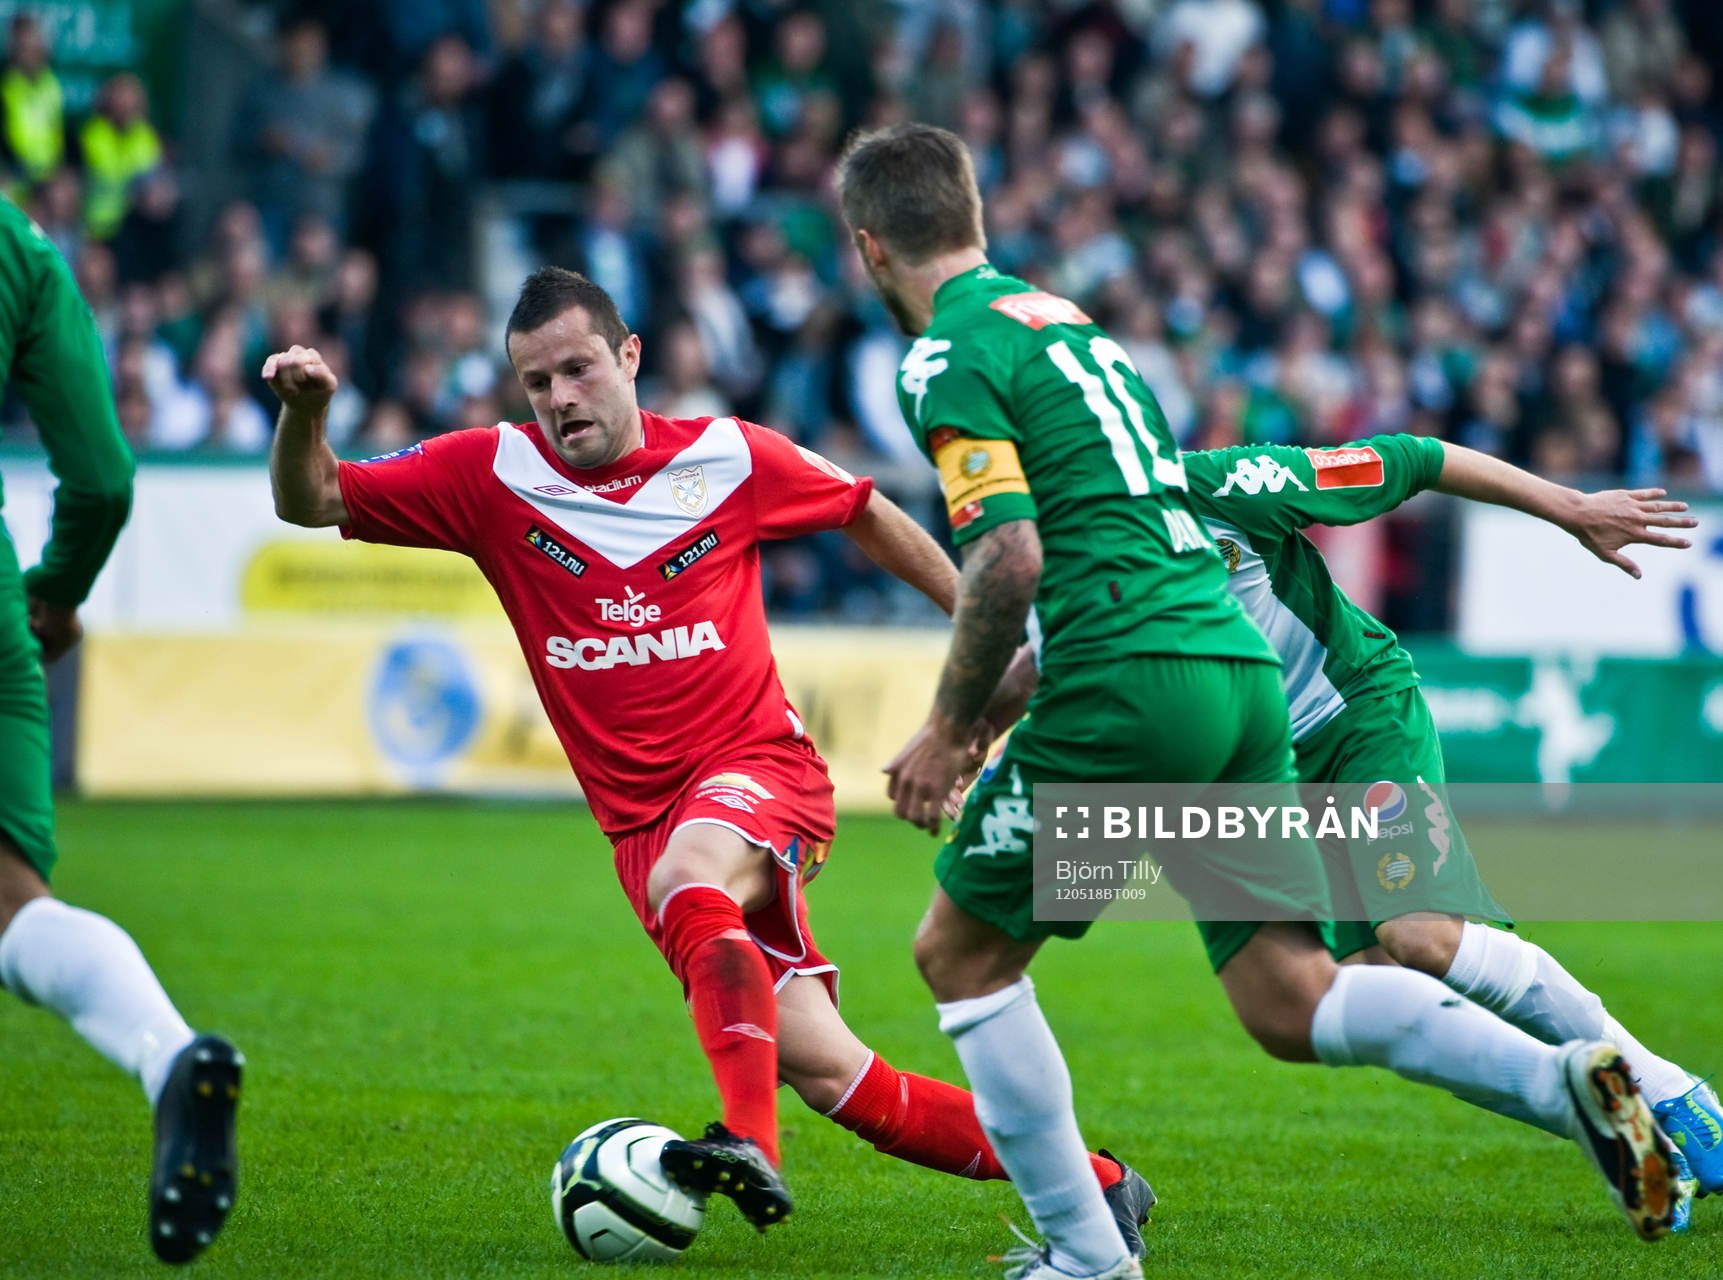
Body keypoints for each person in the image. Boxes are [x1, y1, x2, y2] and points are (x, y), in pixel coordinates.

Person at [835, 123, 1682, 1280]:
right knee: (1292, 998)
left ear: (868, 246)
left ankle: (1089, 1256)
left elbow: (1011, 559)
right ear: (976, 214)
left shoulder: (943, 356)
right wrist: (996, 709)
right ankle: (1566, 1078)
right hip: (1234, 698)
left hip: (1162, 690)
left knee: (960, 955)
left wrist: (945, 726)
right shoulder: (1070, 327)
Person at [263, 266, 1156, 1247]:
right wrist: (305, 414)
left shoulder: (728, 457)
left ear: (629, 356)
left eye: (578, 368)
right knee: (837, 1077)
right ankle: (1100, 1180)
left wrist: (985, 641)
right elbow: (312, 499)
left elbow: (861, 506)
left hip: (759, 772)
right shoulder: (488, 477)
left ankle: (744, 1136)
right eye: (537, 383)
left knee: (695, 875)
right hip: (642, 834)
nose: (561, 398)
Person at [1179, 435, 1723, 1223]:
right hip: (1267, 776)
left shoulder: (1224, 485)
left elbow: (1416, 458)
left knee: (1420, 936)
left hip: (1357, 715)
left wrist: (1571, 508)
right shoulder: (1068, 555)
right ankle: (1621, 1133)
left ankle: (1670, 1092)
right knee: (1367, 993)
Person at [0, 194, 242, 1265]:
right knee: (12, 903)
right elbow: (102, 475)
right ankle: (167, 1052)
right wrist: (51, 593)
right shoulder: (17, 241)